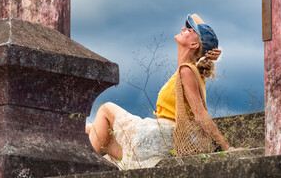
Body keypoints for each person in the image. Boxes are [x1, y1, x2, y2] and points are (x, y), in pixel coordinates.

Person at [86, 14, 231, 169]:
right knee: (88, 130)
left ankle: (82, 169)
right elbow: (197, 20)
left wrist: (227, 148)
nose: (184, 28)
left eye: (189, 30)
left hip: (160, 136)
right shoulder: (190, 71)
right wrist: (212, 48)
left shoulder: (187, 70)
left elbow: (200, 113)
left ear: (194, 45)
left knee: (106, 109)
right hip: (157, 141)